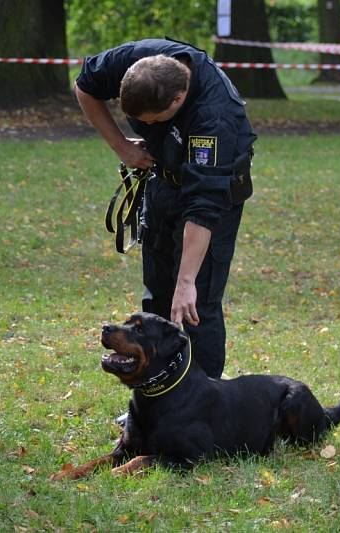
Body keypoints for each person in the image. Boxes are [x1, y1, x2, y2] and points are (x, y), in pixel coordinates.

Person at [74, 39, 257, 392]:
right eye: (138, 121)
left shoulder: (213, 118)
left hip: (214, 194)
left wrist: (186, 281)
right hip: (162, 183)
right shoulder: (134, 61)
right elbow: (85, 85)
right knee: (157, 296)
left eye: (152, 120)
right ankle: (154, 396)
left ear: (178, 100)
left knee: (194, 304)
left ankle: (203, 400)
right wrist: (122, 146)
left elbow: (203, 208)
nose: (145, 125)